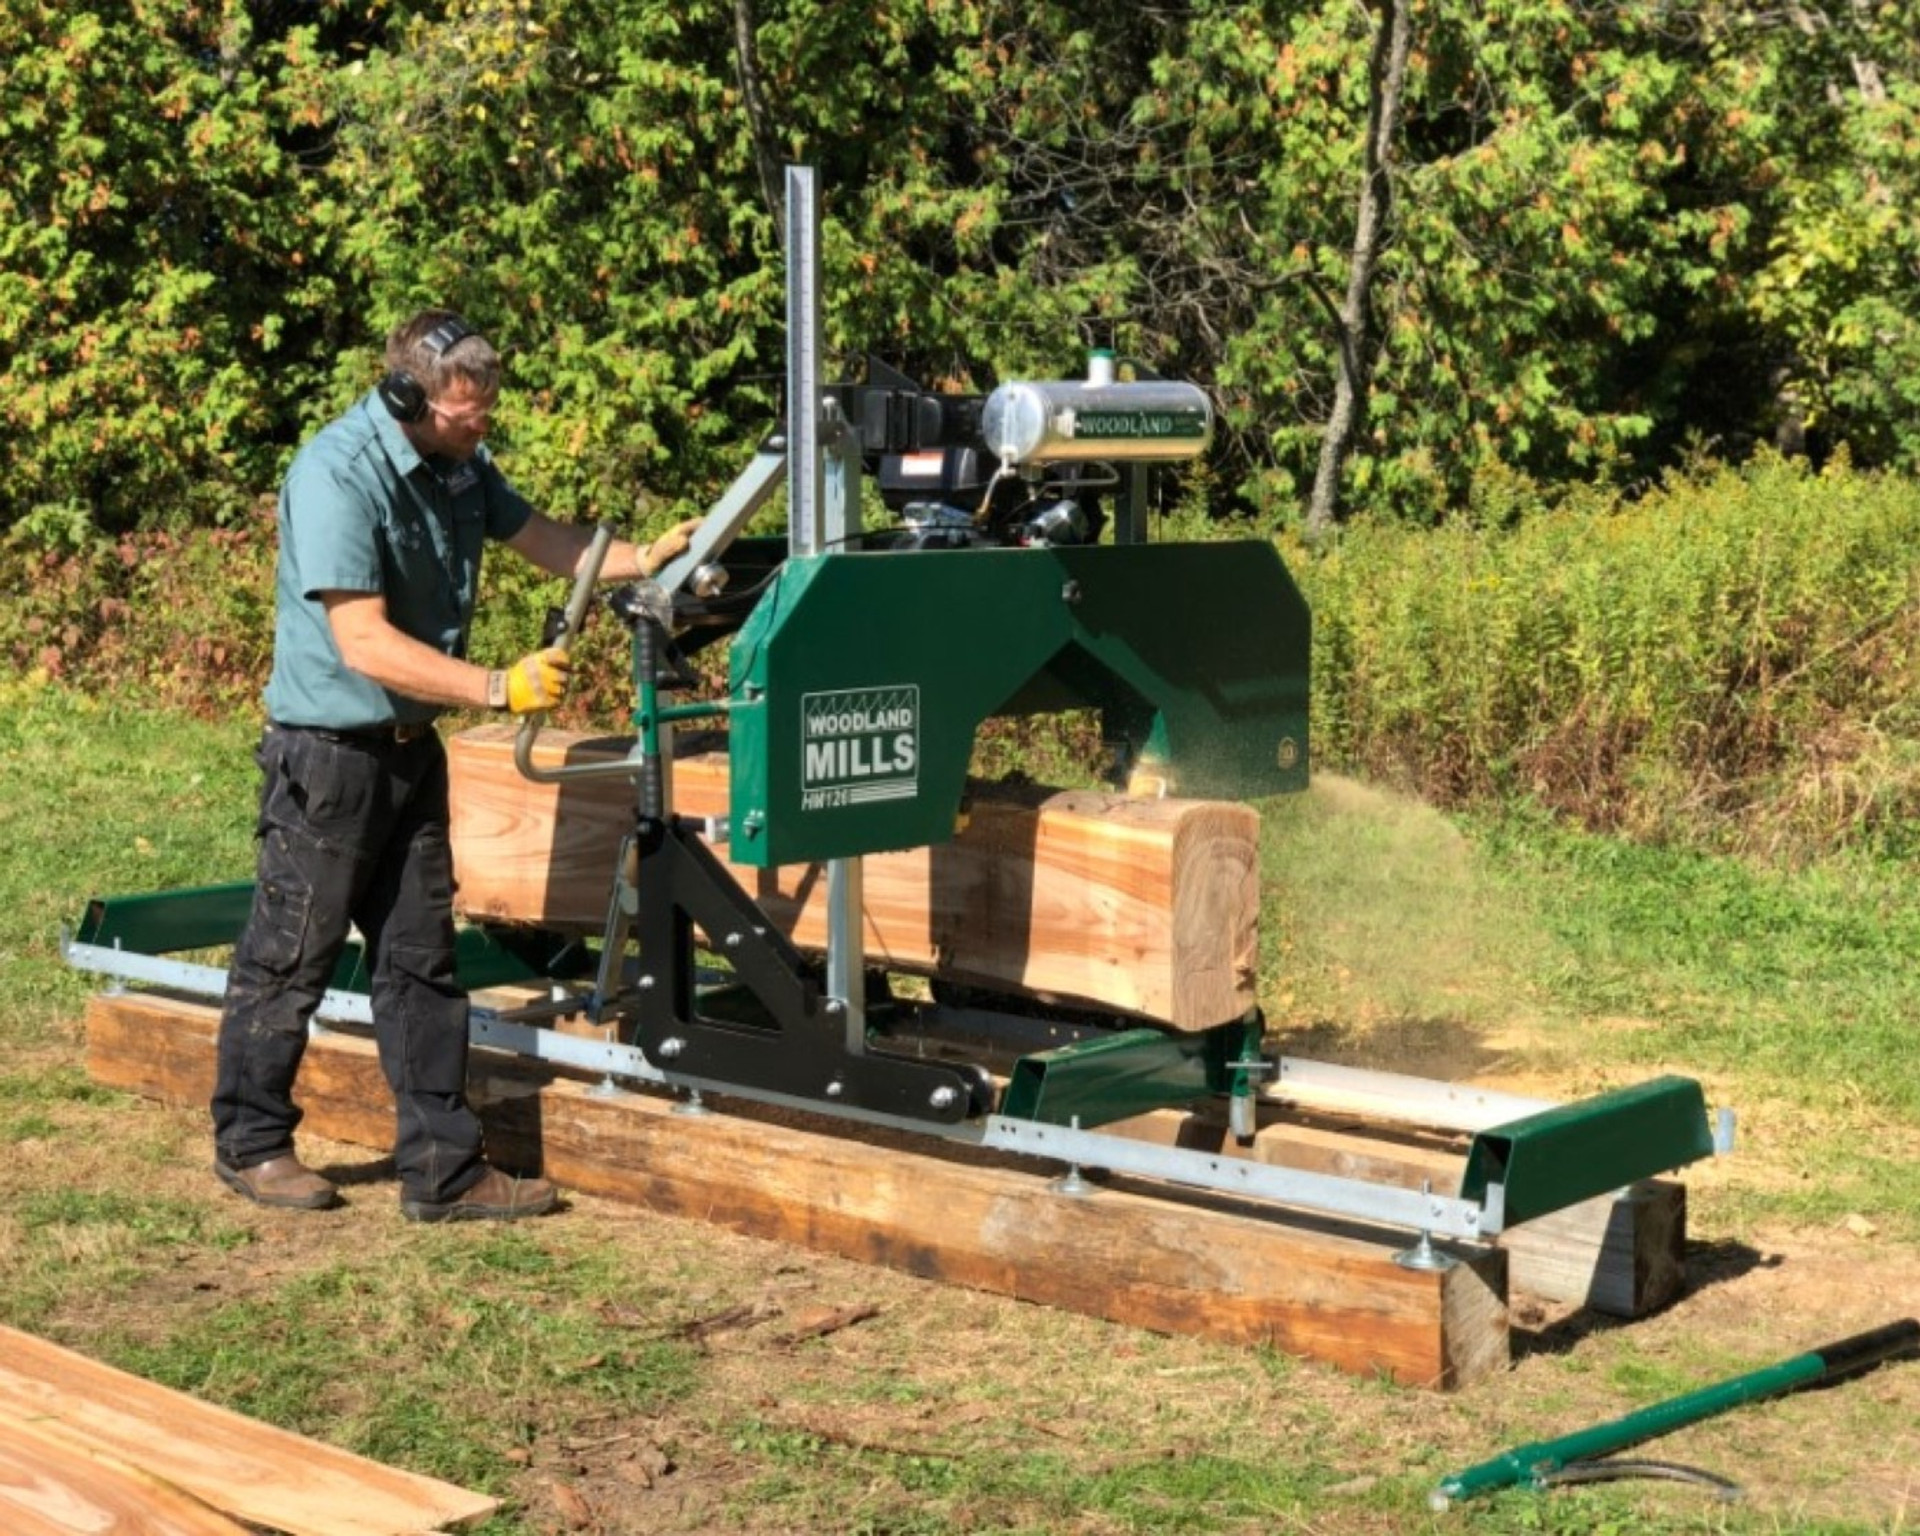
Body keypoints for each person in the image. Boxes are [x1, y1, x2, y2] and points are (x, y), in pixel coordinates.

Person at [211, 307, 698, 1221]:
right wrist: (497, 687)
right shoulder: (336, 475)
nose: (481, 430)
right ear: (406, 396)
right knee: (289, 960)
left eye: (487, 413)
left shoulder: (458, 465)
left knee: (422, 965)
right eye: (463, 415)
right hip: (329, 760)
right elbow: (364, 643)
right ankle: (252, 1143)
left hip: (407, 754)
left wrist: (641, 558)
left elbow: (546, 539)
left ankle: (443, 1170)